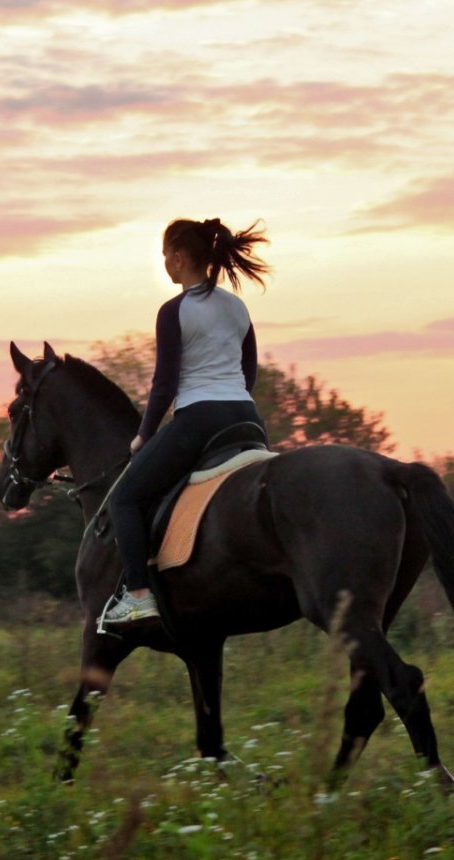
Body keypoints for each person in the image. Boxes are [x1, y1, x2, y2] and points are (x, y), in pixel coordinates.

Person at [102, 217, 271, 625]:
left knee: (125, 498)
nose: (164, 264)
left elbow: (164, 383)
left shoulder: (174, 311)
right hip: (248, 417)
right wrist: (231, 394)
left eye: (164, 257)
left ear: (178, 258)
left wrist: (144, 435)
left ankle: (139, 593)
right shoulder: (237, 306)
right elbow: (250, 371)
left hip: (200, 418)